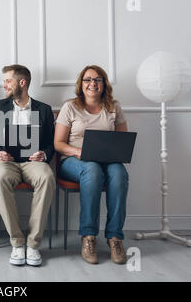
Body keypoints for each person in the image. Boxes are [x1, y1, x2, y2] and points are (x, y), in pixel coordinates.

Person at [54, 65, 129, 265]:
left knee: (119, 173)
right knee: (92, 169)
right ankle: (88, 237)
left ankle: (115, 238)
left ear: (104, 84)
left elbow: (123, 142)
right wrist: (80, 152)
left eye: (97, 79)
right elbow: (58, 144)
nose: (92, 83)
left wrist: (112, 155)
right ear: (81, 84)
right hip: (74, 161)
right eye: (88, 79)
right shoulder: (70, 107)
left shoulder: (114, 107)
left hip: (108, 160)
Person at [0, 64, 55, 266]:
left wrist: (44, 154)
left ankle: (33, 245)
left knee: (47, 177)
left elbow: (51, 143)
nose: (5, 85)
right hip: (7, 163)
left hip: (33, 162)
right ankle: (17, 243)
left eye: (8, 81)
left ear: (22, 83)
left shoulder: (44, 109)